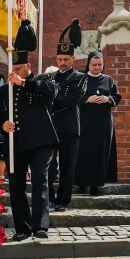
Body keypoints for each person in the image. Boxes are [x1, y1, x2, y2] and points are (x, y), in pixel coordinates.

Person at [0, 20, 59, 241]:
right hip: (15, 143)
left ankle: (40, 226)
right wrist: (2, 124)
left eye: (19, 70)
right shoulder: (3, 91)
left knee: (40, 179)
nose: (14, 74)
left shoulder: (41, 81)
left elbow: (52, 93)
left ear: (28, 68)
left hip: (41, 142)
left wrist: (23, 83)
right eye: (12, 70)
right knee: (16, 185)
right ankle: (22, 227)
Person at [47, 19, 87, 212]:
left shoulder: (80, 78)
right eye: (59, 60)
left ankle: (62, 201)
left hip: (69, 128)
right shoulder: (50, 78)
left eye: (66, 60)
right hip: (49, 127)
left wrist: (51, 103)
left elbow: (73, 99)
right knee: (47, 166)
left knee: (67, 166)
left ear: (73, 59)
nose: (62, 63)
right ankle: (48, 197)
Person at [74, 51, 121, 195]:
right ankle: (81, 183)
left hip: (103, 123)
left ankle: (96, 184)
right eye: (94, 65)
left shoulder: (109, 80)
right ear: (88, 64)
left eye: (100, 65)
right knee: (83, 152)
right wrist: (88, 99)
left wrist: (108, 100)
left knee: (100, 152)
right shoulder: (81, 79)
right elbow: (74, 97)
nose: (97, 67)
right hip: (84, 121)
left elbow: (116, 96)